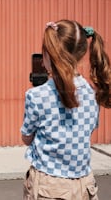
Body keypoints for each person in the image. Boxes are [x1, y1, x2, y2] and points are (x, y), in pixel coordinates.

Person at [21, 19, 111, 199]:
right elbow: (88, 129)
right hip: (85, 185)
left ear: (48, 55)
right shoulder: (92, 92)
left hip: (48, 186)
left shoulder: (36, 95)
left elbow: (26, 137)